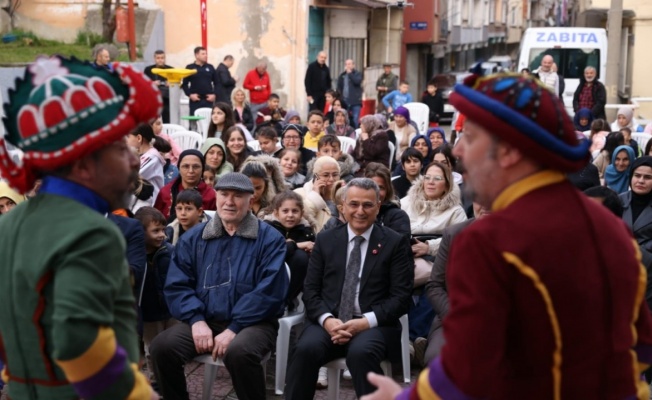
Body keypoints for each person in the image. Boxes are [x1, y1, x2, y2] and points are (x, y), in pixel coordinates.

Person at [363, 73, 652, 400]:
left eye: (470, 137)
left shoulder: (491, 240)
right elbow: (640, 346)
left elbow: (467, 366)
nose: (457, 149)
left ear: (509, 152)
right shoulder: (611, 227)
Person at [0, 55, 160, 399]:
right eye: (121, 148)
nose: (135, 159)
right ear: (85, 164)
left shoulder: (9, 224)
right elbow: (78, 341)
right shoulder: (92, 233)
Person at [150, 172, 289, 400]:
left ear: (250, 200)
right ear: (216, 197)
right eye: (224, 194)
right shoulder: (194, 238)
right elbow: (177, 285)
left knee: (239, 352)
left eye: (238, 196)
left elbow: (269, 292)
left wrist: (234, 328)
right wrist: (196, 320)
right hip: (205, 319)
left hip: (253, 323)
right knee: (162, 347)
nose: (229, 201)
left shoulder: (269, 239)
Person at [284, 178, 413, 399]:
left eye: (367, 205)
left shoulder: (394, 243)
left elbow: (401, 297)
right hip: (329, 321)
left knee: (361, 353)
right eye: (353, 204)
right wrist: (327, 319)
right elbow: (311, 290)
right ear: (342, 207)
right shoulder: (326, 240)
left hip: (373, 325)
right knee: (305, 349)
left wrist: (365, 322)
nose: (360, 211)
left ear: (378, 206)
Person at [419, 202, 489, 367]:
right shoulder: (454, 234)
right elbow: (435, 285)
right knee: (438, 359)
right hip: (454, 317)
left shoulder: (521, 236)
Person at [133, 206, 177, 387]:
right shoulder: (135, 257)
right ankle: (156, 382)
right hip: (150, 314)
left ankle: (174, 378)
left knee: (172, 347)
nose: (162, 235)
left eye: (163, 230)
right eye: (155, 231)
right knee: (152, 349)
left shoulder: (169, 251)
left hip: (171, 310)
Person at [264, 191, 316, 310]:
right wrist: (297, 245)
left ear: (302, 213)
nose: (290, 215)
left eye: (295, 211)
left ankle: (287, 301)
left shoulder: (306, 232)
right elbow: (273, 253)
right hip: (270, 278)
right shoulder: (267, 228)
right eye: (285, 211)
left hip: (294, 285)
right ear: (276, 213)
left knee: (301, 258)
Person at [154, 149, 217, 221]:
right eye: (186, 166)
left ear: (202, 169)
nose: (191, 171)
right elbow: (156, 219)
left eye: (196, 167)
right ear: (179, 168)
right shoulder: (165, 192)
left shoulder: (211, 195)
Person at [364, 162, 411, 238]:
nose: (376, 192)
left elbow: (401, 245)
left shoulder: (398, 216)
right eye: (372, 187)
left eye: (381, 188)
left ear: (387, 190)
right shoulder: (356, 213)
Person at [294, 156, 340, 232]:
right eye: (326, 175)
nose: (331, 179)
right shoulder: (298, 194)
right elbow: (299, 220)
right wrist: (315, 196)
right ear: (316, 176)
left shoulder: (343, 196)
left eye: (335, 175)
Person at [127, 123, 166, 202]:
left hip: (152, 203)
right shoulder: (143, 155)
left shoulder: (152, 157)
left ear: (139, 138)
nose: (126, 141)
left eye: (128, 137)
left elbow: (129, 176)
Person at [182, 46, 218, 117]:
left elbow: (217, 83)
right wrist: (190, 95)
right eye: (203, 54)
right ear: (197, 55)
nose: (206, 56)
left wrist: (214, 95)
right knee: (194, 121)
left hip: (208, 100)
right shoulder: (190, 67)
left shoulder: (210, 67)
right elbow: (184, 84)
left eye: (206, 54)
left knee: (208, 120)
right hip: (195, 100)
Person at [144, 50, 173, 122]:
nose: (160, 60)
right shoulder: (148, 70)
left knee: (167, 120)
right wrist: (152, 83)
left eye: (162, 58)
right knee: (153, 121)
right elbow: (143, 84)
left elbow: (178, 84)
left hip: (167, 99)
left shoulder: (171, 69)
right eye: (158, 58)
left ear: (165, 58)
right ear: (154, 58)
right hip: (154, 99)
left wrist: (171, 83)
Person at [337, 59, 363, 129]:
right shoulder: (342, 75)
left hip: (355, 101)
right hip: (345, 101)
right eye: (346, 64)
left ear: (353, 65)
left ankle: (354, 133)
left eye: (349, 64)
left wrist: (350, 73)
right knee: (344, 118)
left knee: (355, 119)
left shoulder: (357, 74)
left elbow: (357, 81)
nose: (348, 66)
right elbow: (339, 88)